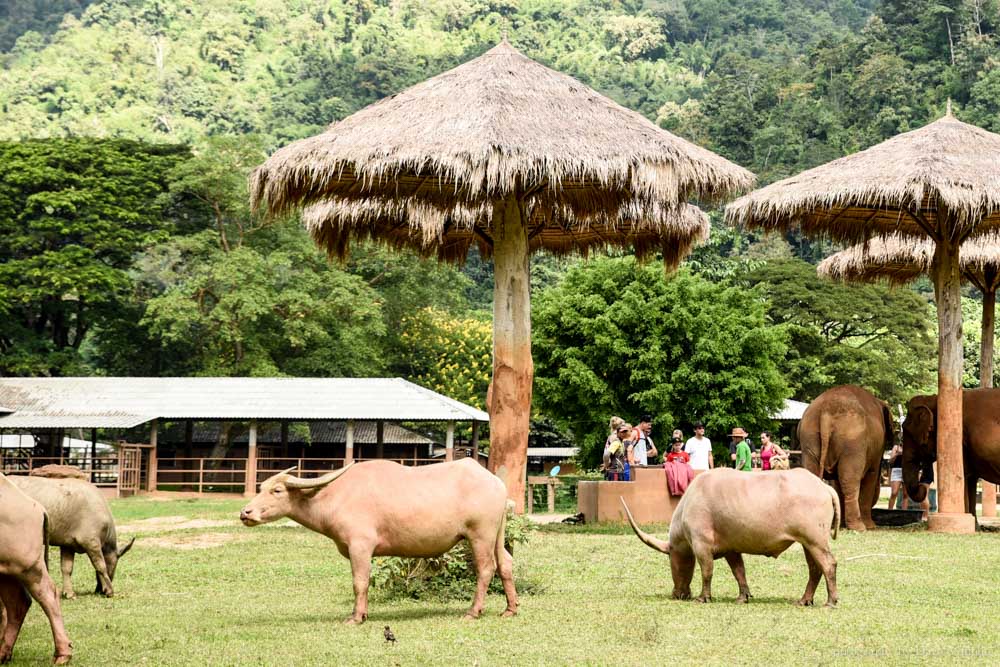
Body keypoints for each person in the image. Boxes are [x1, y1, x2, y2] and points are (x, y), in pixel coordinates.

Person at [887, 441, 904, 509]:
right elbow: (890, 461)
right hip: (897, 470)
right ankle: (889, 511)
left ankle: (904, 514)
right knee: (894, 493)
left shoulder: (910, 447)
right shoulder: (896, 447)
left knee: (905, 495)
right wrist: (897, 454)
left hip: (906, 471)